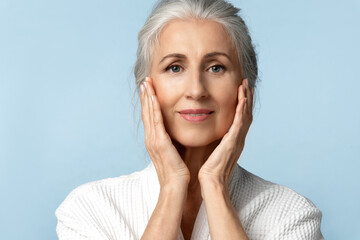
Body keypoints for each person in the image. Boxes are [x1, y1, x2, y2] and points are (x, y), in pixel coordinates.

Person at [55, 0, 324, 239]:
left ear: (245, 89)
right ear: (146, 89)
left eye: (216, 67)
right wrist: (172, 187)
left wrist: (216, 186)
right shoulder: (90, 209)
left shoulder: (292, 215)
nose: (196, 90)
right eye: (175, 67)